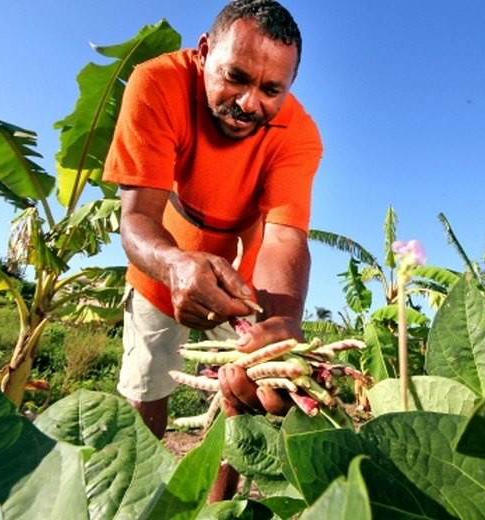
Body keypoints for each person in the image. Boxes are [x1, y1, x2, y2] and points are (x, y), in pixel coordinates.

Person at [103, 0, 320, 465]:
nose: (249, 103)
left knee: (241, 403)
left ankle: (221, 511)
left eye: (270, 89)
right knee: (146, 394)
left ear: (289, 87)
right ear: (203, 51)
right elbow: (138, 216)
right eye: (236, 77)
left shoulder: (299, 135)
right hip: (160, 267)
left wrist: (281, 325)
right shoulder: (156, 82)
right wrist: (175, 264)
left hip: (243, 283)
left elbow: (284, 237)